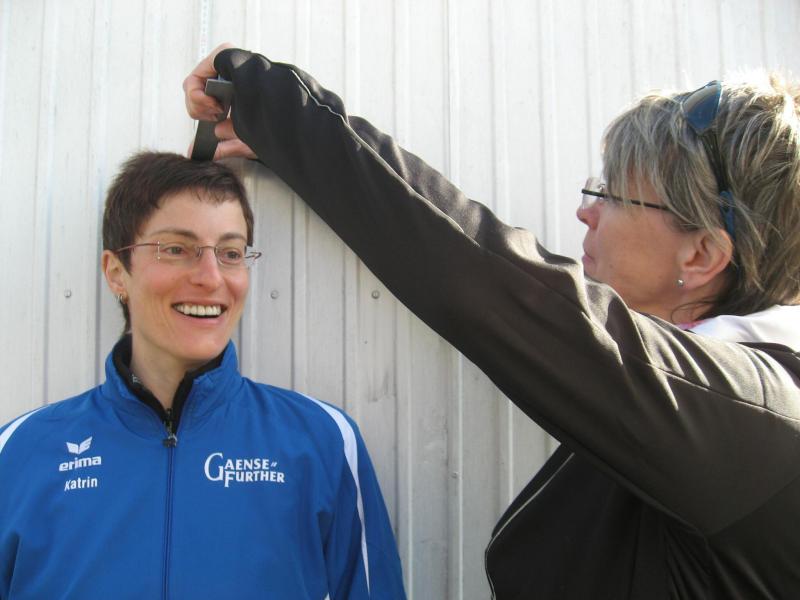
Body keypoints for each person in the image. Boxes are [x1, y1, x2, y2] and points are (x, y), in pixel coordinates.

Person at [184, 46, 800, 598]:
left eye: (615, 193)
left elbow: (481, 276)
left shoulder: (755, 423)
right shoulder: (718, 409)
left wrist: (276, 108)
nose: (586, 211)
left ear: (702, 254)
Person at [0, 152, 406, 600]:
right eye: (176, 249)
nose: (211, 278)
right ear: (117, 273)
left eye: (230, 253)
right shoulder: (18, 453)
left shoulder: (322, 443)